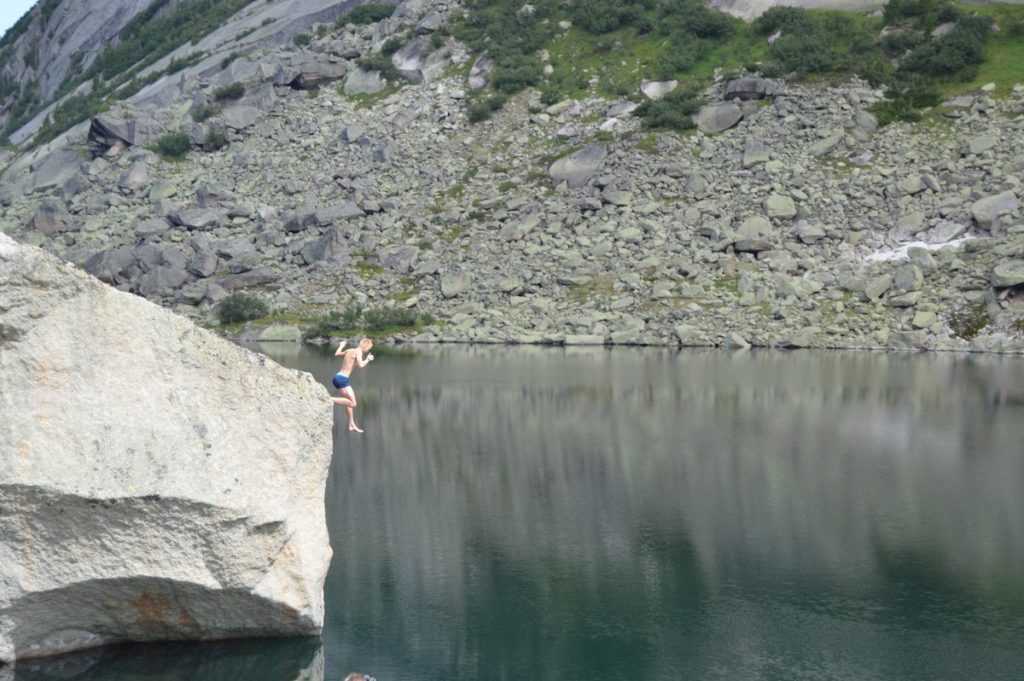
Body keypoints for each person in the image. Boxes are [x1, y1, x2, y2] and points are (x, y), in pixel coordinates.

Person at [332, 338, 374, 433]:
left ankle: (351, 424)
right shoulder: (358, 352)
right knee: (353, 403)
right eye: (369, 348)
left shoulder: (350, 350)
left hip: (338, 377)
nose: (368, 350)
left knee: (348, 402)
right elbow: (361, 365)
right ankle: (329, 399)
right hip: (342, 380)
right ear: (366, 347)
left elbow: (337, 354)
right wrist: (368, 359)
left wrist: (341, 346)